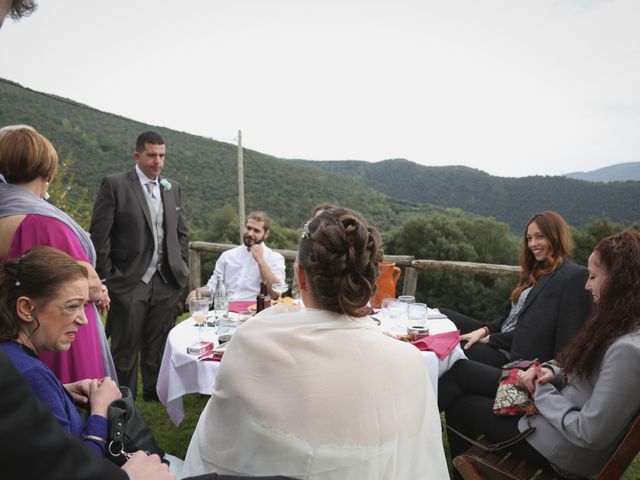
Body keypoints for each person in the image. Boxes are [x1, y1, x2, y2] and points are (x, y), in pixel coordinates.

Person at [182, 208, 449, 479]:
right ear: (370, 281)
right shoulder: (409, 362)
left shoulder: (250, 340)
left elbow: (215, 446)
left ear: (300, 277)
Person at [439, 229, 640, 479]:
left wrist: (538, 391)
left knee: (460, 404)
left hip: (559, 448)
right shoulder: (622, 326)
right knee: (462, 373)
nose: (587, 286)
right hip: (552, 421)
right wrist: (551, 372)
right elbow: (586, 374)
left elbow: (589, 432)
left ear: (618, 281)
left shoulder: (628, 351)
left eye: (593, 277)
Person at [0, 126, 116, 383]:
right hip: (53, 336)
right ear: (47, 173)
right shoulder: (44, 223)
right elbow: (81, 277)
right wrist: (98, 290)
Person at [90, 131, 189, 401]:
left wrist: (180, 265)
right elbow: (100, 236)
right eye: (151, 155)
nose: (158, 161)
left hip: (165, 279)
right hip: (128, 281)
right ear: (138, 156)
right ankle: (124, 400)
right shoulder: (115, 185)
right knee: (125, 349)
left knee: (157, 343)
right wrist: (108, 279)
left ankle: (154, 392)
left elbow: (181, 232)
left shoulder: (173, 187)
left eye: (162, 155)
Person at [0, 246, 122, 455]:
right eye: (72, 306)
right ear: (27, 309)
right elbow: (74, 470)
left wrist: (60, 392)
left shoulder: (11, 358)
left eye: (84, 306)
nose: (83, 320)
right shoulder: (32, 374)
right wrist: (100, 410)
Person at [441, 211, 592, 366]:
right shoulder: (535, 272)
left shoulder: (572, 276)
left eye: (540, 236)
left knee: (451, 347)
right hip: (501, 336)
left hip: (513, 353)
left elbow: (541, 334)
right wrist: (484, 330)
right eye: (529, 238)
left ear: (556, 236)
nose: (533, 244)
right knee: (440, 315)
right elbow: (508, 318)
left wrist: (489, 340)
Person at [187, 211, 285, 302]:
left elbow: (276, 294)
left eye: (256, 231)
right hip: (226, 312)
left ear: (266, 234)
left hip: (256, 315)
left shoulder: (275, 258)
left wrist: (261, 262)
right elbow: (213, 287)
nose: (250, 233)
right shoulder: (227, 256)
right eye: (248, 228)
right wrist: (197, 293)